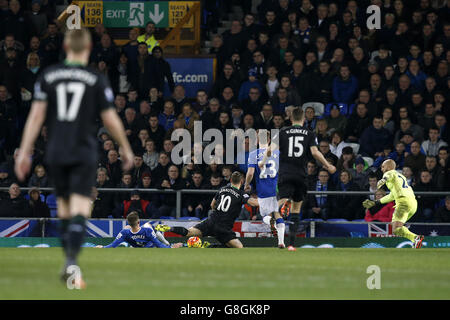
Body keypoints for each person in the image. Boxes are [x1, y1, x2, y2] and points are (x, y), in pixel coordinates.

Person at [14, 29, 134, 289]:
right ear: (89, 47)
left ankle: (69, 263)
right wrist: (125, 146)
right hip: (83, 149)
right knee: (80, 208)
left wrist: (24, 151)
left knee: (65, 208)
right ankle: (71, 262)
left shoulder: (48, 76)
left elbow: (35, 117)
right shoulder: (95, 78)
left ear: (66, 46)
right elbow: (110, 117)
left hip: (56, 149)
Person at [261, 107, 336, 250]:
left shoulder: (282, 132)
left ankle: (277, 210)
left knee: (279, 202)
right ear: (303, 119)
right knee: (296, 210)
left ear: (290, 119)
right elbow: (315, 152)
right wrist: (328, 165)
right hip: (301, 175)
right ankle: (291, 244)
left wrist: (262, 162)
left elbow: (270, 150)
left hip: (285, 173)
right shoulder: (309, 133)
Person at [156, 171, 259, 248]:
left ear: (231, 180)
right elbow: (254, 203)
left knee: (189, 232)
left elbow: (212, 205)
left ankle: (170, 228)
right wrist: (267, 202)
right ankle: (209, 245)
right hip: (223, 226)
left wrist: (218, 211)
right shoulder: (241, 194)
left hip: (211, 220)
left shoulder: (222, 189)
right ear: (241, 181)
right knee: (238, 247)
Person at [362, 159, 424, 248]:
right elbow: (392, 195)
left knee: (396, 229)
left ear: (389, 167)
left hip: (403, 203)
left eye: (383, 167)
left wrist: (383, 180)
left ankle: (416, 238)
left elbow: (389, 174)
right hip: (412, 204)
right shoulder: (400, 176)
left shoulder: (389, 173)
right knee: (396, 227)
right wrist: (376, 202)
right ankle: (416, 240)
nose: (382, 169)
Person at [244, 132, 286, 248]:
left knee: (264, 216)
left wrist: (246, 184)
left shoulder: (253, 154)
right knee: (278, 214)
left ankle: (270, 222)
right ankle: (281, 242)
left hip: (263, 189)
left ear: (257, 140)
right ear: (269, 140)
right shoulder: (278, 153)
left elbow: (250, 173)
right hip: (277, 188)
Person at [96, 211, 182, 248]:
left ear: (129, 223)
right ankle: (165, 240)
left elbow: (113, 245)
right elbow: (159, 245)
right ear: (138, 222)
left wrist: (102, 247)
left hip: (137, 246)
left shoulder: (124, 232)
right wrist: (170, 248)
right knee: (148, 225)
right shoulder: (147, 230)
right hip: (149, 245)